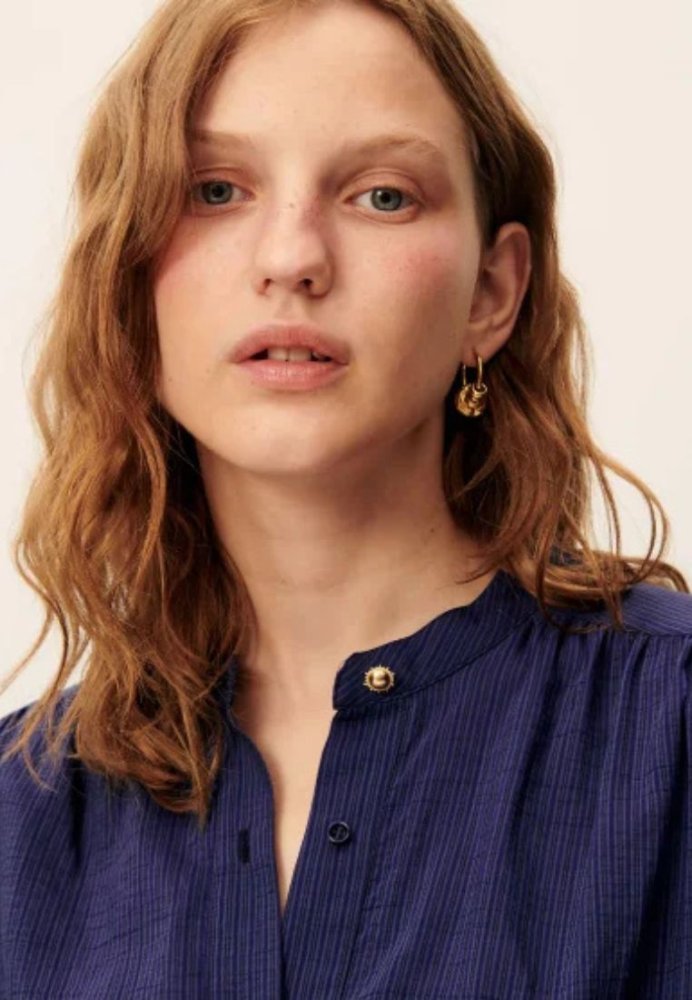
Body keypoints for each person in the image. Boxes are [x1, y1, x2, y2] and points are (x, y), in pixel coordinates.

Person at [1, 0, 690, 996]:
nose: (292, 258)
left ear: (491, 293)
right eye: (215, 189)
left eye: (381, 196)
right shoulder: (21, 817)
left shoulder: (669, 725)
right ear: (126, 277)